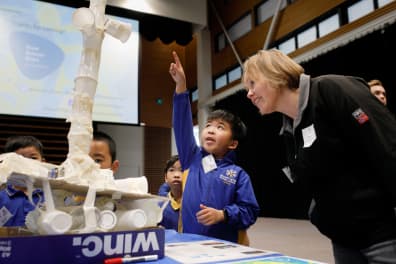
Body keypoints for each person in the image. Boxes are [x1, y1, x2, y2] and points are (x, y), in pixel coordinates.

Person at [242, 48, 396, 263]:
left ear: (274, 74)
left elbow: (386, 144)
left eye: (252, 83)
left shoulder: (331, 89)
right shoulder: (289, 130)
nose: (248, 93)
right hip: (343, 241)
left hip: (383, 237)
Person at [169, 51, 260, 245]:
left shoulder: (238, 175)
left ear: (233, 143)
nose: (210, 130)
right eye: (208, 125)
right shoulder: (191, 158)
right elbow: (181, 125)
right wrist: (181, 87)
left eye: (220, 127)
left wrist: (223, 214)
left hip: (223, 248)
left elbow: (250, 211)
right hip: (188, 244)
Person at [0, 135, 45, 226]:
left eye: (33, 158)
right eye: (19, 159)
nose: (27, 163)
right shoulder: (1, 196)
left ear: (43, 162)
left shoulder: (51, 196)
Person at [158, 155, 182, 231]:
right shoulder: (159, 206)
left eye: (182, 170)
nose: (176, 175)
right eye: (171, 170)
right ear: (165, 177)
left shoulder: (196, 202)